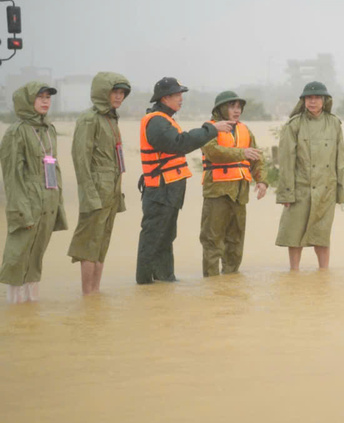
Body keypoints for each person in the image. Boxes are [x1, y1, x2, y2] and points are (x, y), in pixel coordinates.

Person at [136, 77, 234, 284]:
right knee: (153, 239)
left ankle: (164, 280)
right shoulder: (156, 121)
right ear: (165, 98)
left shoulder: (164, 119)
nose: (181, 99)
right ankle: (145, 285)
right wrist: (211, 130)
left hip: (168, 189)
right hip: (160, 190)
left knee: (165, 238)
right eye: (177, 95)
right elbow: (179, 143)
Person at [0, 82, 68, 303]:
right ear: (27, 101)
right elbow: (12, 177)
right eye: (40, 97)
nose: (46, 100)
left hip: (48, 199)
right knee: (18, 255)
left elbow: (54, 168)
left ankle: (31, 308)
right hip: (27, 202)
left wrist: (58, 204)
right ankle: (14, 308)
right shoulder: (16, 133)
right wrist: (21, 211)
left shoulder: (49, 130)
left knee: (37, 255)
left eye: (48, 97)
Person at [67, 72, 131, 295]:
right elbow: (80, 158)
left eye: (122, 93)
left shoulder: (111, 119)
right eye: (115, 91)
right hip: (96, 191)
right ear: (103, 92)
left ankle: (95, 294)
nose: (119, 97)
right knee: (88, 246)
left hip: (111, 191)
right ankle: (87, 294)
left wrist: (117, 194)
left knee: (102, 245)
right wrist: (90, 195)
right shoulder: (89, 119)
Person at [276, 81, 344, 271]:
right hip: (300, 188)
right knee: (294, 234)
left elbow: (341, 160)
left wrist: (341, 191)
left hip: (326, 188)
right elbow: (286, 161)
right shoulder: (294, 124)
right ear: (303, 100)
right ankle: (294, 273)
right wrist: (286, 193)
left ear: (325, 100)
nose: (313, 101)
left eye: (317, 98)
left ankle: (323, 274)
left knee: (322, 235)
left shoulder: (334, 123)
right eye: (309, 98)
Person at [199, 91, 269, 277]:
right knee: (213, 240)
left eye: (239, 107)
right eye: (232, 106)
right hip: (217, 193)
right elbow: (213, 152)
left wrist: (262, 181)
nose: (236, 111)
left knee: (235, 241)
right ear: (221, 108)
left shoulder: (245, 130)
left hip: (240, 193)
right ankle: (212, 284)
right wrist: (242, 154)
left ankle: (230, 283)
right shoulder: (209, 128)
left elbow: (256, 158)